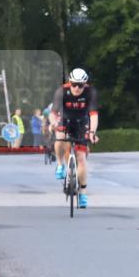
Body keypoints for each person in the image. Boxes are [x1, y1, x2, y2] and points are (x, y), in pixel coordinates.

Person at [51, 68, 99, 209]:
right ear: (69, 82)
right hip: (64, 120)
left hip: (81, 123)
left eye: (80, 85)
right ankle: (60, 164)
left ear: (85, 84)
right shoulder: (62, 91)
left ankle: (83, 193)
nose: (77, 88)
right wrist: (53, 122)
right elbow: (53, 113)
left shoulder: (90, 92)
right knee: (59, 137)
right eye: (74, 84)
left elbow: (94, 115)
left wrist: (92, 132)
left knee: (81, 158)